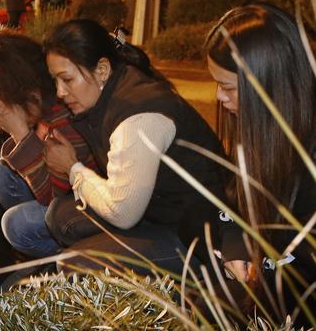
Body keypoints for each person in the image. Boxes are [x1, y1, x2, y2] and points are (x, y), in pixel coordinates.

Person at [41, 19, 224, 276]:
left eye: (67, 79)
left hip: (197, 235)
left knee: (76, 264)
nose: (60, 92)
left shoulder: (137, 117)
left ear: (102, 70)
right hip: (157, 212)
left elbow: (123, 211)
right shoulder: (114, 90)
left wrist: (73, 168)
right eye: (55, 81)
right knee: (60, 216)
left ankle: (182, 287)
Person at [200, 4, 315, 324]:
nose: (220, 99)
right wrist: (237, 249)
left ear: (269, 86)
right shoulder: (258, 132)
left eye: (229, 88)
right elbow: (236, 203)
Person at [0, 27, 96, 283]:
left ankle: (59, 262)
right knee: (1, 174)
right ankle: (32, 257)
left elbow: (56, 200)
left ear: (26, 93)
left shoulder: (63, 117)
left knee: (17, 224)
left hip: (86, 207)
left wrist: (20, 132)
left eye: (0, 109)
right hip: (66, 196)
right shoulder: (42, 108)